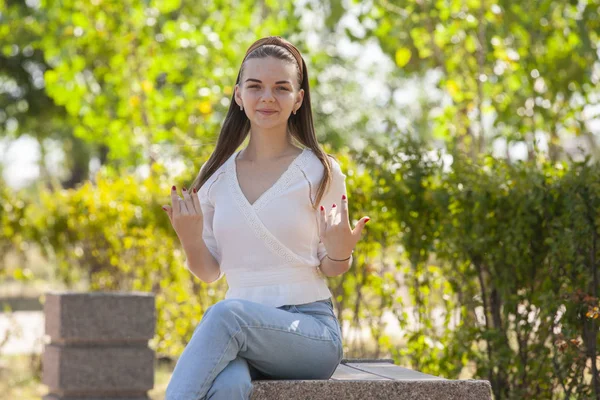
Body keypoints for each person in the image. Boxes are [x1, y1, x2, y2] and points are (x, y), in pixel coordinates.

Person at [161, 36, 371, 400]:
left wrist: (340, 253)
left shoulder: (320, 170)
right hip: (241, 335)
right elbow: (210, 272)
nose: (267, 97)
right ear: (238, 95)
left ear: (298, 99)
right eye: (255, 86)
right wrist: (190, 238)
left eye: (281, 88)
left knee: (225, 316)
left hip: (310, 332)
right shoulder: (216, 177)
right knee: (227, 387)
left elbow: (333, 267)